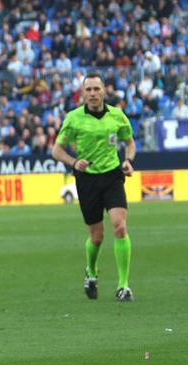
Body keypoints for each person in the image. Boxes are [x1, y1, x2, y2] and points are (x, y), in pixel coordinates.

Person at [52, 72, 136, 301]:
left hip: (112, 175)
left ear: (104, 91)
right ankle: (91, 271)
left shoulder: (117, 116)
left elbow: (130, 143)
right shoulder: (73, 118)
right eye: (88, 89)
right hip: (87, 179)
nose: (92, 93)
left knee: (119, 226)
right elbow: (56, 151)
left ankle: (123, 285)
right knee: (97, 236)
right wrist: (73, 162)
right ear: (82, 93)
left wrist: (128, 161)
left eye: (96, 89)